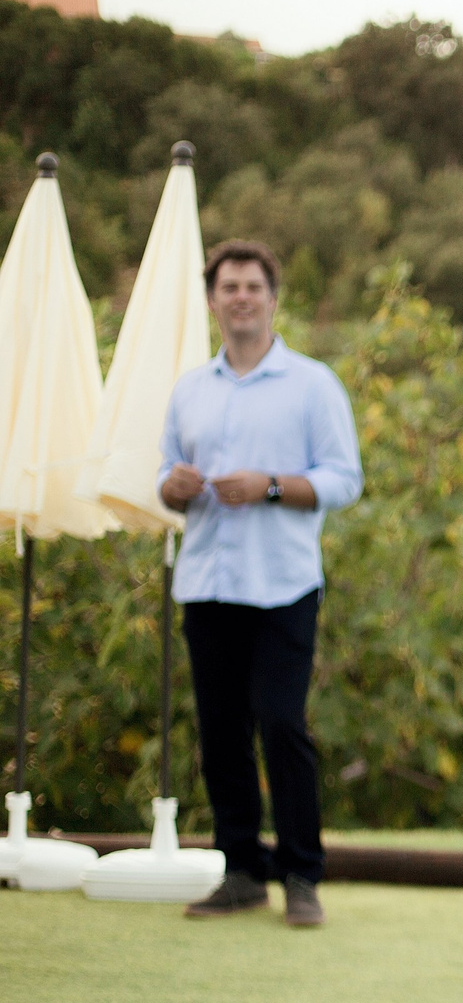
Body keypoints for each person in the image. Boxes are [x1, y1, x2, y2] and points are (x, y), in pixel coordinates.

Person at [157, 238, 364, 927]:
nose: (240, 296)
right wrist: (176, 486)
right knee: (220, 733)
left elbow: (345, 479)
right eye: (228, 287)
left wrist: (271, 485)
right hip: (207, 583)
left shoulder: (313, 384)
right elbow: (165, 478)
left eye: (252, 285)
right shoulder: (190, 389)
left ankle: (302, 873)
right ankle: (241, 868)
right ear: (213, 300)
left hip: (282, 586)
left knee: (281, 724)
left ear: (273, 298)